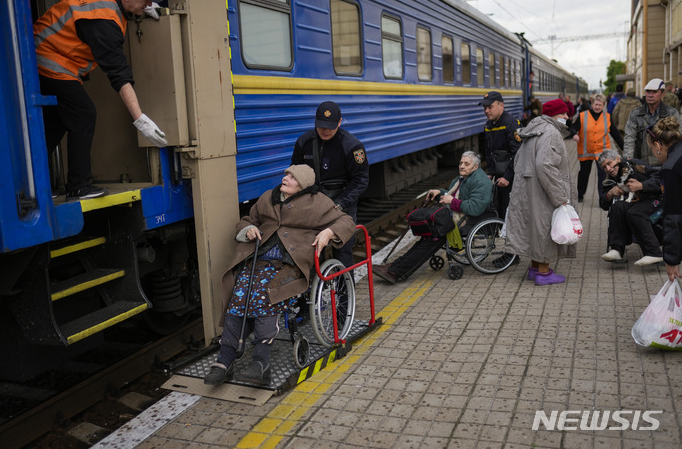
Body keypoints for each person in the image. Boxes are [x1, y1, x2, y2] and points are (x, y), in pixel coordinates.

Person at [204, 165, 355, 386]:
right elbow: (248, 219)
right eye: (286, 174)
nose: (286, 178)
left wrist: (329, 232)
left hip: (291, 263)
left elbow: (346, 221)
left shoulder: (319, 202)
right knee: (239, 295)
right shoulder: (268, 197)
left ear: (303, 184)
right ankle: (225, 360)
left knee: (267, 294)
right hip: (259, 259)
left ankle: (261, 361)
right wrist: (247, 230)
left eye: (292, 177)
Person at [34, 0, 168, 201]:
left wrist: (142, 6)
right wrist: (140, 119)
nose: (149, 2)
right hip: (51, 59)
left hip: (42, 48)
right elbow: (119, 74)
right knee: (84, 114)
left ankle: (32, 182)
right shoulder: (103, 21)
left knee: (56, 123)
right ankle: (78, 186)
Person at [371, 152, 493, 283]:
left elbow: (475, 207)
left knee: (433, 237)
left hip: (468, 221)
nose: (461, 166)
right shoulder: (465, 178)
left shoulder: (481, 182)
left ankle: (396, 271)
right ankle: (393, 267)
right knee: (428, 235)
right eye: (461, 163)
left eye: (466, 164)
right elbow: (455, 195)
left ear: (475, 167)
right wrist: (440, 192)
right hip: (456, 217)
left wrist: (452, 202)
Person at [505, 99, 577, 286]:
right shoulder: (551, 132)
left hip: (529, 188)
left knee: (535, 228)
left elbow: (518, 160)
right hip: (543, 190)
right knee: (545, 228)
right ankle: (544, 274)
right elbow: (545, 165)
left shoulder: (533, 129)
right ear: (555, 115)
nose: (567, 117)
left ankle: (534, 268)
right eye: (563, 114)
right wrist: (560, 196)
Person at [291, 101, 369, 268]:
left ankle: (344, 293)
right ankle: (311, 291)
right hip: (311, 206)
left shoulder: (352, 146)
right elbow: (295, 174)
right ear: (315, 121)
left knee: (343, 254)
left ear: (340, 122)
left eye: (330, 126)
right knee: (307, 252)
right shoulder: (304, 142)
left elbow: (360, 180)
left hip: (341, 207)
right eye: (321, 126)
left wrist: (341, 203)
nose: (325, 130)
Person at [597, 149, 663, 266]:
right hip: (633, 202)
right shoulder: (610, 179)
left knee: (634, 212)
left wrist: (642, 185)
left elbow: (659, 177)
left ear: (617, 159)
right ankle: (616, 250)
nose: (608, 169)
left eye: (609, 164)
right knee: (617, 207)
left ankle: (653, 252)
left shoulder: (634, 165)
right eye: (604, 167)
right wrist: (610, 194)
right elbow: (603, 204)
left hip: (652, 198)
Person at [646, 117, 682, 281]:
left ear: (658, 146)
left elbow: (673, 216)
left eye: (652, 149)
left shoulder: (670, 168)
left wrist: (671, 258)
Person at [569, 94, 622, 202]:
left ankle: (602, 197)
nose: (597, 107)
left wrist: (625, 148)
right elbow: (573, 127)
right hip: (586, 151)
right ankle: (580, 194)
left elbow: (615, 135)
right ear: (592, 104)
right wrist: (574, 134)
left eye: (600, 105)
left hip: (602, 152)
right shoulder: (583, 115)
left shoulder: (607, 117)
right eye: (595, 104)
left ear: (603, 105)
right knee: (584, 174)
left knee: (603, 175)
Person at [478, 91, 521, 218]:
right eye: (485, 108)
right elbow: (489, 151)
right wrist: (490, 172)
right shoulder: (489, 125)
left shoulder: (511, 124)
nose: (486, 111)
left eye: (490, 107)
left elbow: (518, 153)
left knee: (509, 211)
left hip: (511, 178)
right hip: (498, 177)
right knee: (498, 210)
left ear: (501, 105)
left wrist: (508, 176)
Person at [624, 78, 681, 166]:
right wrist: (628, 159)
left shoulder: (671, 113)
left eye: (654, 92)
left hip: (663, 164)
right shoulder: (636, 113)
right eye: (648, 91)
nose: (650, 95)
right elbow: (629, 137)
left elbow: (678, 139)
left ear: (663, 94)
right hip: (641, 164)